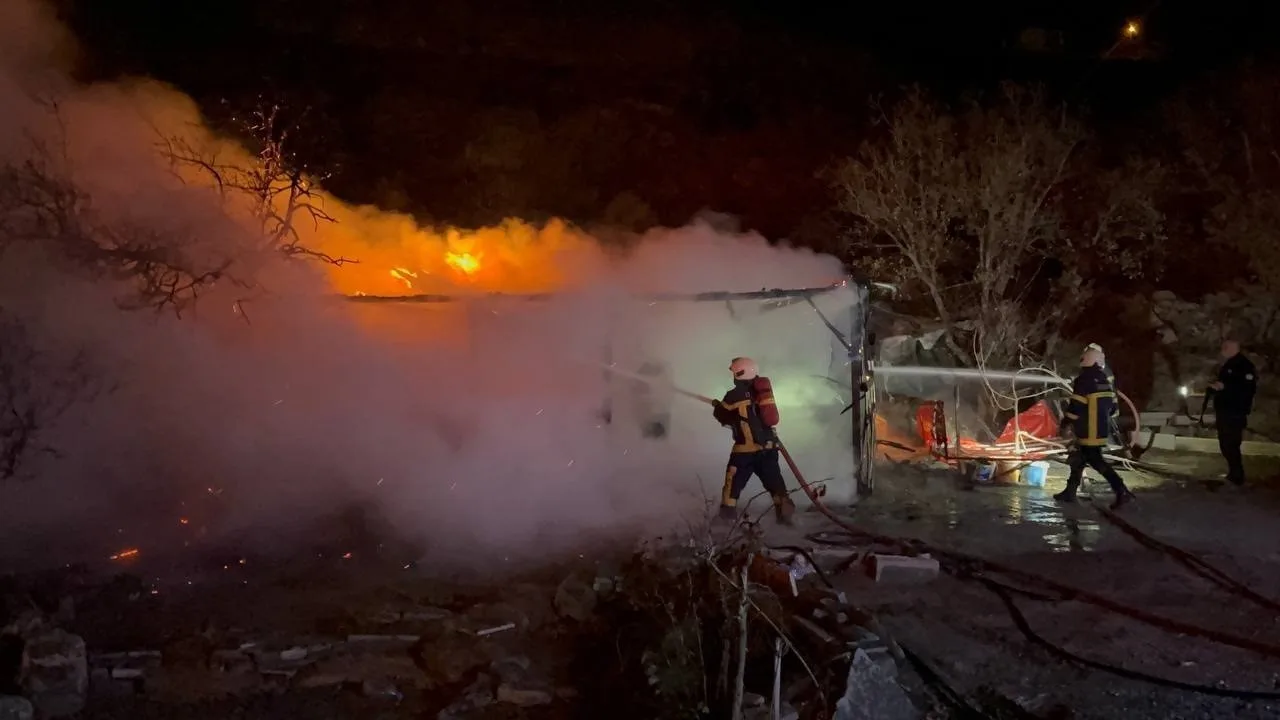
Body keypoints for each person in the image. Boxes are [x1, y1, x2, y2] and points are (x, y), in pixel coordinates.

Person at [712, 357, 796, 524]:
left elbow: (721, 415)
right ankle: (786, 518)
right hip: (769, 448)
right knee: (775, 482)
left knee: (732, 484)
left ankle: (725, 519)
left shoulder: (733, 395)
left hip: (744, 452)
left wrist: (717, 406)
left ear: (739, 374)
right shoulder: (763, 392)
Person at [1054, 345, 1136, 509]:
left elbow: (1076, 406)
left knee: (1097, 461)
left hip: (1087, 430)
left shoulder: (1084, 380)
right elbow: (1112, 408)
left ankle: (1122, 490)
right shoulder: (1104, 379)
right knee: (1079, 459)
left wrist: (1065, 423)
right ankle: (1070, 492)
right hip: (1100, 430)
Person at [1209, 339, 1257, 485]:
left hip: (1234, 411)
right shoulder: (1230, 364)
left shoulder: (1244, 366)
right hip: (1226, 410)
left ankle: (1237, 475)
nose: (1222, 349)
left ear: (1232, 348)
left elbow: (1246, 388)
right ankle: (1233, 472)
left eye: (1225, 347)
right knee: (1225, 442)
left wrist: (1225, 386)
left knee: (1231, 443)